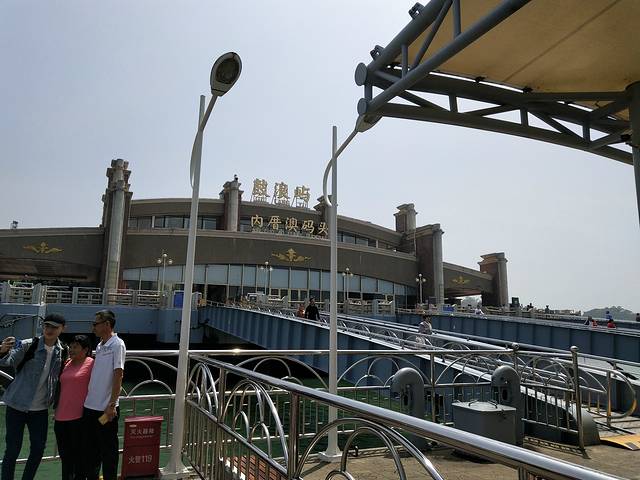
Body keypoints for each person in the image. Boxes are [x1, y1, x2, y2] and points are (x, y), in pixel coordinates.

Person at [0, 313, 67, 480]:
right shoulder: (28, 345)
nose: (49, 330)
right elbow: (7, 362)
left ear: (62, 329)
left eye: (54, 327)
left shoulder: (63, 351)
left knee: (38, 449)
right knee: (12, 449)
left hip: (40, 409)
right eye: (47, 326)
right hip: (17, 404)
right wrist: (2, 351)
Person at [83, 310, 126, 480]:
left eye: (96, 324)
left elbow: (118, 374)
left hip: (105, 409)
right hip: (90, 406)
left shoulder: (117, 344)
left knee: (108, 451)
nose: (93, 327)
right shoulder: (100, 345)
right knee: (91, 450)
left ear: (107, 324)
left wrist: (112, 404)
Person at [55, 335, 94, 480]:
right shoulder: (66, 363)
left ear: (85, 349)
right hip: (60, 417)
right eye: (70, 347)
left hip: (79, 417)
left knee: (79, 457)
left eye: (75, 347)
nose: (71, 350)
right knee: (65, 457)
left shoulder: (92, 364)